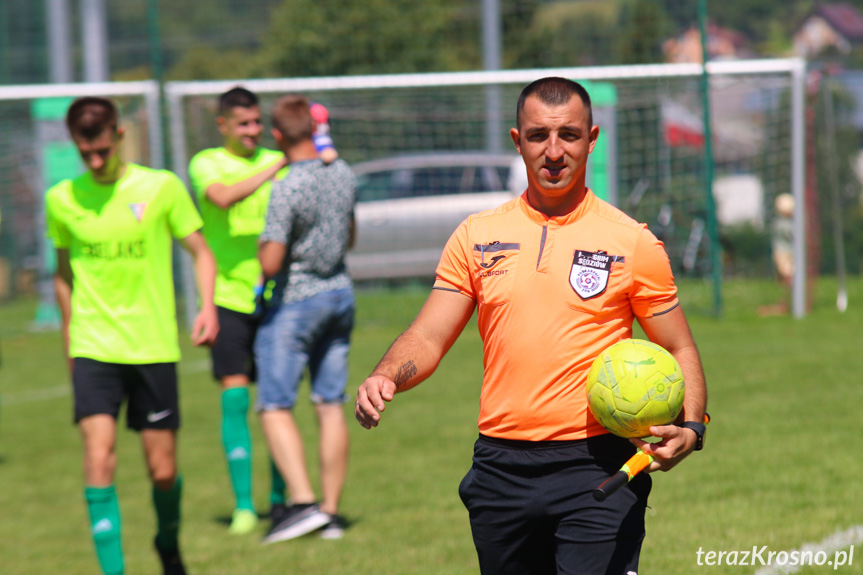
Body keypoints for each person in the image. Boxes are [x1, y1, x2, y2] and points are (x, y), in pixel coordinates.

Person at [355, 77, 708, 574]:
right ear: (518, 141)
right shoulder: (476, 236)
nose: (555, 150)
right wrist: (386, 374)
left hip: (597, 465)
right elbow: (429, 335)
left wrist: (693, 426)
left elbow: (679, 348)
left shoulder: (632, 242)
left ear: (592, 138)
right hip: (500, 469)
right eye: (539, 135)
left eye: (569, 134)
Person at [46, 96, 219, 575]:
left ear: (120, 135)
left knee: (163, 471)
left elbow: (201, 252)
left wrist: (206, 306)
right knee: (98, 461)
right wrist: (69, 341)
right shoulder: (61, 199)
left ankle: (168, 543)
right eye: (86, 154)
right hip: (93, 346)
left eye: (102, 150)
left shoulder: (160, 188)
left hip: (152, 346)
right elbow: (63, 276)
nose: (95, 161)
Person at [187, 86, 291, 535]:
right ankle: (244, 505)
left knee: (277, 401)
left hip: (275, 297)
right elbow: (222, 197)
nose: (251, 131)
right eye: (242, 123)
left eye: (256, 122)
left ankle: (281, 499)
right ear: (223, 125)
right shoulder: (206, 162)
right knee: (235, 398)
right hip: (227, 299)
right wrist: (278, 166)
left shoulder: (275, 162)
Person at [256, 94, 357, 544]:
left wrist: (260, 252)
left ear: (277, 137)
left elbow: (273, 261)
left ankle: (301, 503)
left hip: (296, 302)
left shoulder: (287, 186)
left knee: (275, 405)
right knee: (329, 403)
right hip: (339, 293)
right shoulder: (342, 172)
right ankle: (332, 512)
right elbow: (350, 234)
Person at [760, 193, 795, 316]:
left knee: (788, 276)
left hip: (789, 254)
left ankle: (787, 301)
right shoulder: (782, 223)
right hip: (783, 253)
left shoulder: (788, 222)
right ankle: (785, 301)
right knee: (787, 275)